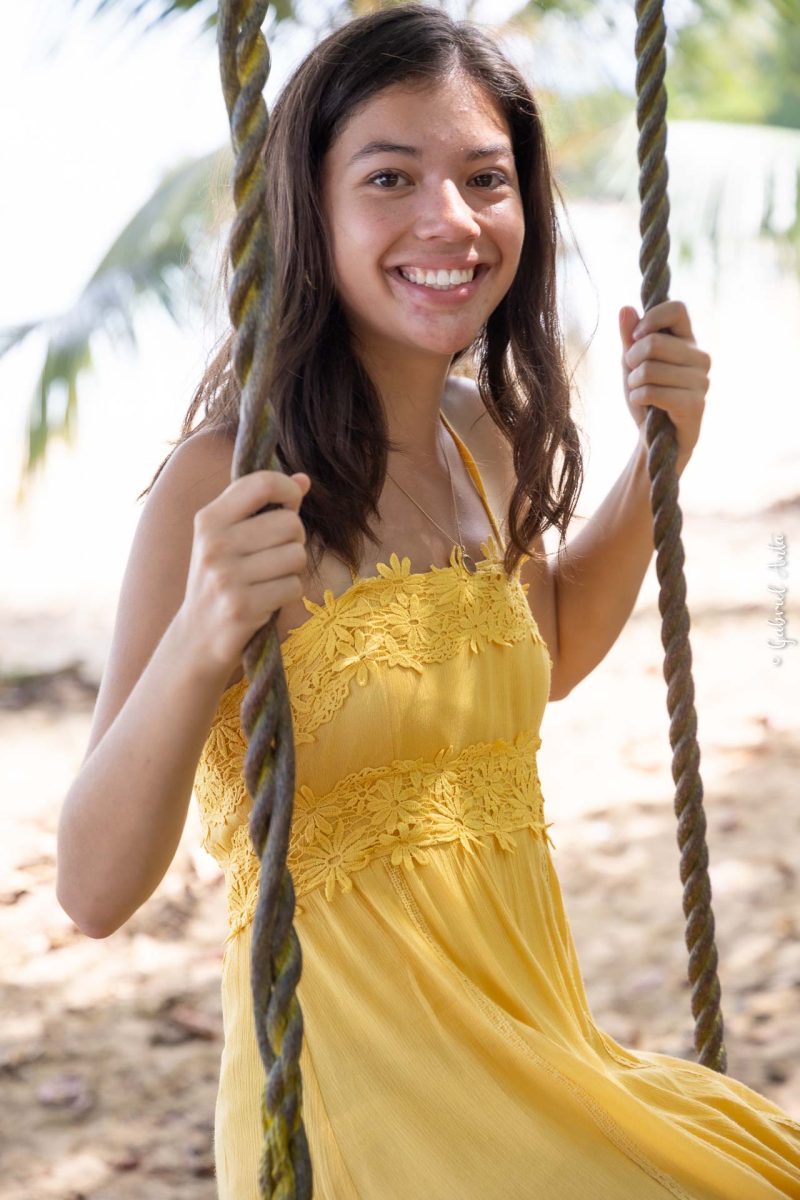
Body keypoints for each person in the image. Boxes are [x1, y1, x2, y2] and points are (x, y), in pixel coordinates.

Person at [56, 6, 800, 1198]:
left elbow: (545, 652)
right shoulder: (224, 481)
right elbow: (92, 892)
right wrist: (200, 641)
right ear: (314, 209)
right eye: (389, 176)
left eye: (483, 179)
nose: (447, 219)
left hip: (533, 1048)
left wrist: (658, 454)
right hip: (365, 1103)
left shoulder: (483, 441)